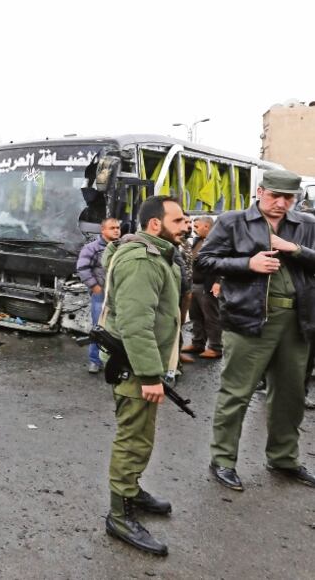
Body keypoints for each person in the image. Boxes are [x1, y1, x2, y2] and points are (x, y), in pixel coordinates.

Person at [197, 170, 315, 491]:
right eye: (274, 196)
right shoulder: (233, 221)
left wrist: (294, 250)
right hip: (249, 318)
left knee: (291, 395)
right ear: (260, 192)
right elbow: (203, 262)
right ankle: (222, 459)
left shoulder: (306, 225)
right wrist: (247, 264)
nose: (280, 204)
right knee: (236, 392)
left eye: (288, 198)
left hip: (296, 321)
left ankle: (284, 458)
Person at [101, 195, 188, 556]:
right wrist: (151, 375)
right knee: (133, 439)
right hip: (137, 367)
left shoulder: (157, 254)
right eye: (179, 220)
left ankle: (131, 490)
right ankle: (119, 515)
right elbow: (137, 324)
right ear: (156, 224)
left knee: (141, 434)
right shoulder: (142, 260)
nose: (186, 226)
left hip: (142, 364)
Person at [76, 217, 121, 373]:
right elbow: (82, 268)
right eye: (112, 228)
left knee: (117, 328)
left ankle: (114, 360)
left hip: (118, 295)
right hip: (100, 294)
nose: (116, 230)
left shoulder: (122, 247)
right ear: (103, 230)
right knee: (99, 328)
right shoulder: (91, 248)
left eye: (118, 228)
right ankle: (95, 360)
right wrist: (94, 286)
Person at [181, 216, 222, 361]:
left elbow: (221, 264)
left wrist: (218, 282)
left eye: (197, 226)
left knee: (211, 317)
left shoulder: (217, 242)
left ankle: (215, 347)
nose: (194, 229)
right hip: (195, 284)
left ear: (207, 226)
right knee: (196, 316)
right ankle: (198, 343)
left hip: (208, 285)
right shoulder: (198, 241)